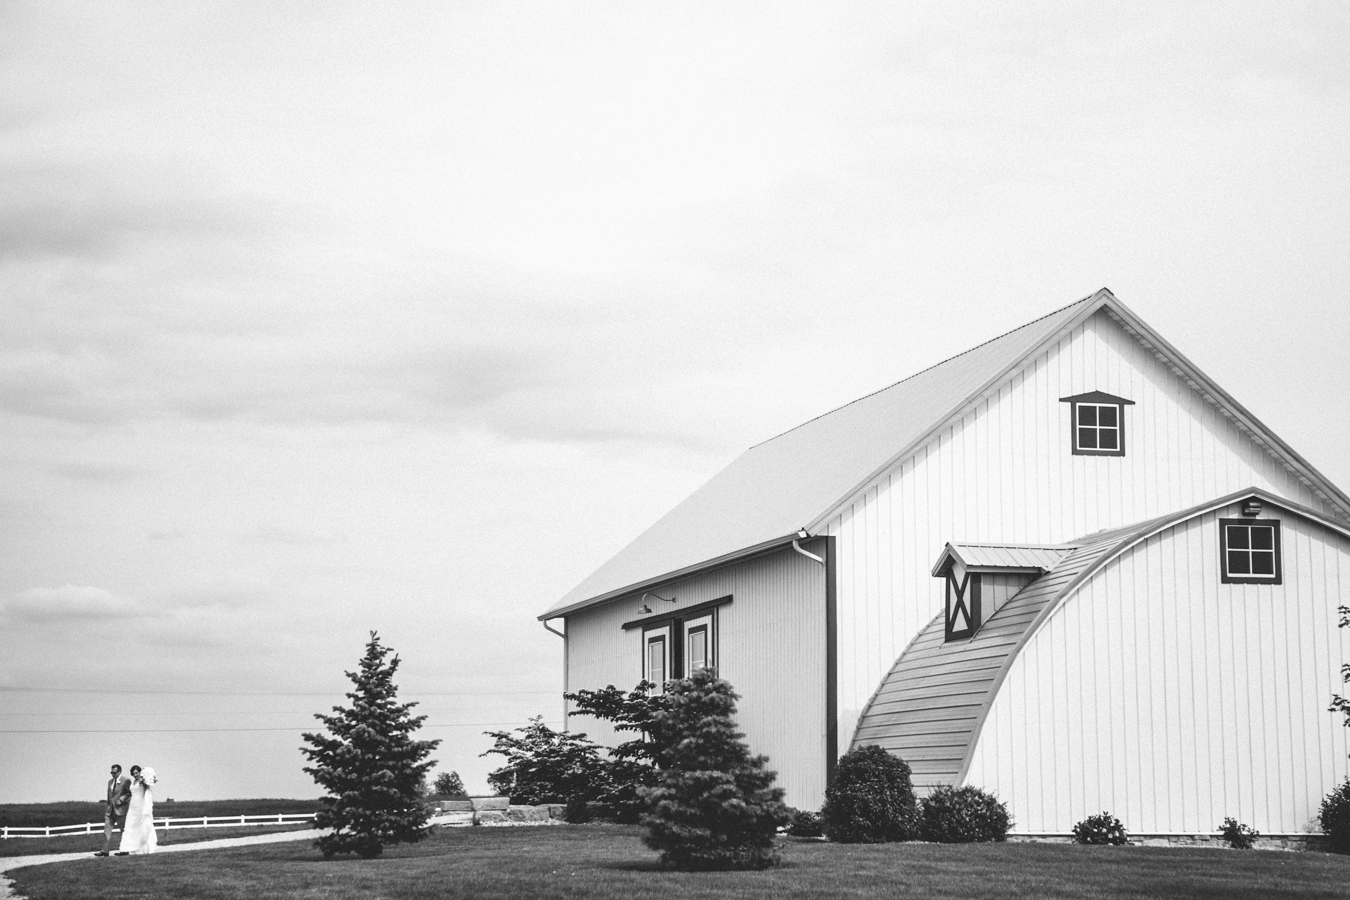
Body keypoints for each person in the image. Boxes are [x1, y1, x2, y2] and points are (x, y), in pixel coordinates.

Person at [114, 766, 158, 855]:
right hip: (133, 806)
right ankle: (125, 849)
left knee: (142, 825)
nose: (135, 775)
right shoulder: (133, 782)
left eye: (137, 773)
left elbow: (150, 785)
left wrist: (148, 779)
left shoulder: (143, 782)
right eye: (133, 773)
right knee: (129, 826)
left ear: (140, 773)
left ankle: (144, 848)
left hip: (141, 806)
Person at [95, 764, 132, 856]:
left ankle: (124, 850)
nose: (113, 774)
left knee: (123, 830)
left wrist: (121, 800)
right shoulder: (110, 782)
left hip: (120, 810)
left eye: (114, 773)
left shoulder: (126, 780)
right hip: (110, 811)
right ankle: (105, 851)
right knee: (106, 830)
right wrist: (108, 806)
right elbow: (109, 796)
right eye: (111, 772)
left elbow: (129, 793)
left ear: (119, 771)